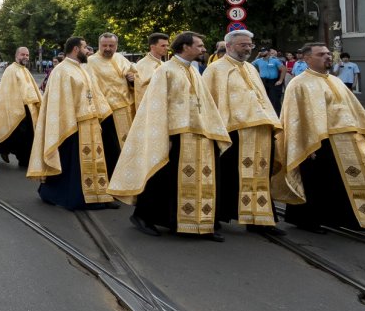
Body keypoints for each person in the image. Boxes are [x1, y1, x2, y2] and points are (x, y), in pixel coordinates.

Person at [111, 32, 231, 240]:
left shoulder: (192, 71)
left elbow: (205, 103)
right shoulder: (165, 70)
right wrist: (161, 135)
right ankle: (143, 216)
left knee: (197, 179)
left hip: (199, 133)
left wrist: (214, 129)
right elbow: (155, 105)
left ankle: (196, 223)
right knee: (162, 177)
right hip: (175, 134)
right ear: (185, 47)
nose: (204, 49)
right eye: (200, 45)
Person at [278, 43, 365, 236]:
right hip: (317, 142)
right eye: (321, 54)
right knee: (317, 182)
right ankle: (308, 220)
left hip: (347, 139)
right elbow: (295, 117)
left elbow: (352, 108)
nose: (327, 57)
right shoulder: (298, 83)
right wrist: (305, 144)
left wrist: (361, 131)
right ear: (307, 58)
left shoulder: (335, 81)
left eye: (328, 54)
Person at [202, 31, 286, 235]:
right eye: (243, 45)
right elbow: (208, 101)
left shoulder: (250, 67)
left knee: (260, 176)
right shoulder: (215, 69)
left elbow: (261, 97)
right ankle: (219, 216)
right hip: (233, 131)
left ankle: (261, 220)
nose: (248, 48)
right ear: (229, 46)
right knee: (229, 176)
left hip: (261, 130)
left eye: (250, 44)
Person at [28, 37, 116, 209]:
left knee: (97, 161)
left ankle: (100, 196)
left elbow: (93, 93)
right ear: (76, 49)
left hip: (90, 123)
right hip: (73, 125)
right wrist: (70, 121)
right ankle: (78, 197)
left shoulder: (83, 68)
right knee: (73, 164)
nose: (88, 51)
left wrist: (100, 115)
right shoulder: (61, 71)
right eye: (85, 48)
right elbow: (58, 102)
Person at [86, 33, 137, 173]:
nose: (108, 48)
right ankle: (113, 180)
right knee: (112, 149)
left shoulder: (120, 58)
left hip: (126, 110)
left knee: (128, 146)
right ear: (99, 45)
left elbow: (133, 76)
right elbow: (91, 87)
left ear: (116, 46)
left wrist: (132, 80)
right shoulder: (91, 61)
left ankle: (128, 177)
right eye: (104, 45)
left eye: (111, 45)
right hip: (107, 112)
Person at [0, 46, 41, 168]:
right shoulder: (11, 70)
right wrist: (18, 107)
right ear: (16, 56)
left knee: (28, 135)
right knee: (20, 135)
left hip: (30, 108)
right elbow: (8, 92)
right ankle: (17, 156)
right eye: (22, 55)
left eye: (27, 55)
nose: (25, 57)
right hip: (17, 108)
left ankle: (23, 157)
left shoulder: (25, 70)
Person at [252, 47, 285, 112]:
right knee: (263, 98)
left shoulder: (274, 60)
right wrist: (258, 55)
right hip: (263, 81)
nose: (262, 52)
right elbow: (250, 65)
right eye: (261, 51)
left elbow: (283, 69)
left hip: (273, 82)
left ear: (268, 52)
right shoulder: (258, 60)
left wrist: (280, 80)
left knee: (274, 99)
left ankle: (277, 115)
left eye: (264, 51)